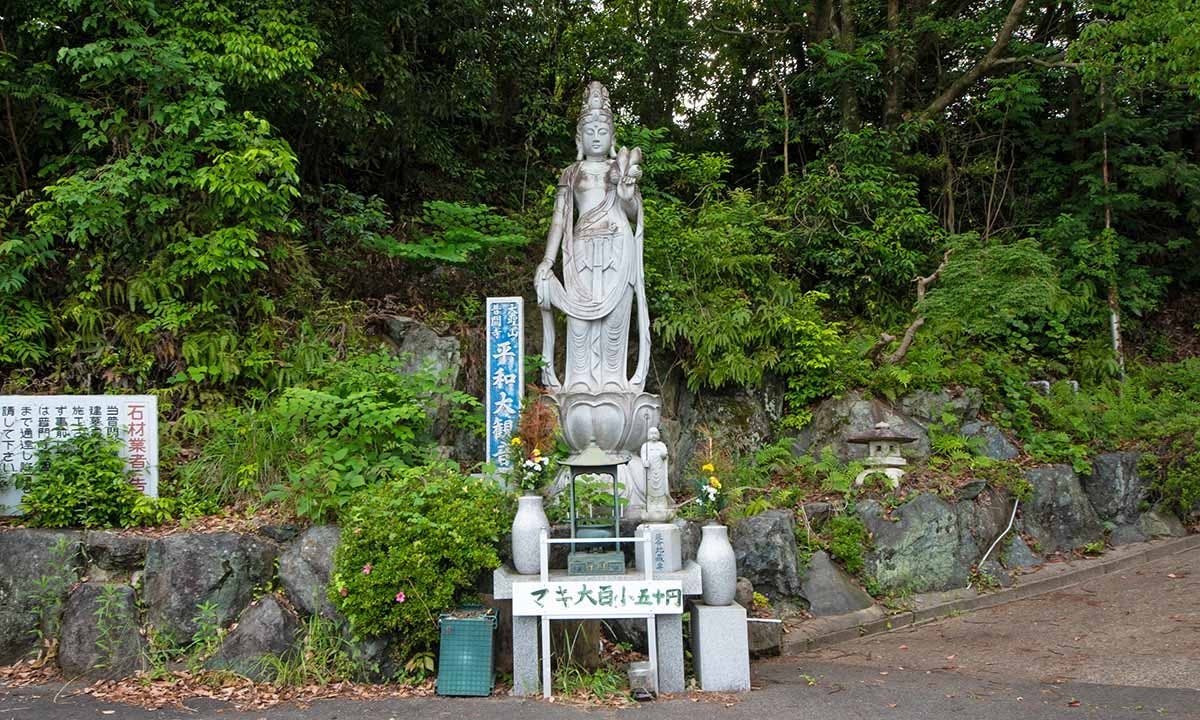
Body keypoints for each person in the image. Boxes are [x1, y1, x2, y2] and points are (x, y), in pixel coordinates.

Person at [535, 81, 650, 394]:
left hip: (617, 246)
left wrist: (626, 193)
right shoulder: (571, 173)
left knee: (615, 320)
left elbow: (632, 211)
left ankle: (613, 382)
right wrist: (548, 260)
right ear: (579, 138)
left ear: (612, 137)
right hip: (581, 250)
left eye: (603, 131)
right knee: (579, 321)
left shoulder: (621, 168)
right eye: (590, 132)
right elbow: (560, 218)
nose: (596, 137)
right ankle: (579, 383)